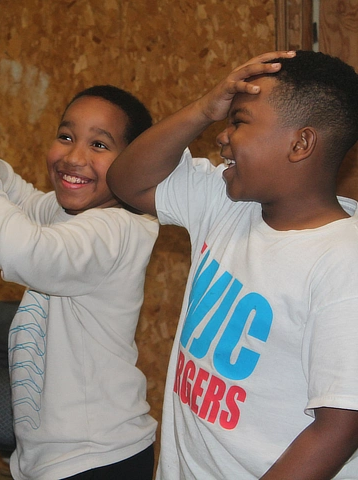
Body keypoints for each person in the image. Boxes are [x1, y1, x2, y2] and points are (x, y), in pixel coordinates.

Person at [107, 50, 358, 479]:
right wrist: (205, 107)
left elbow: (338, 428)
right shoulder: (226, 202)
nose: (222, 137)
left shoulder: (343, 262)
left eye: (238, 122)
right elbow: (128, 181)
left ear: (300, 144)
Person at [0, 85, 159, 479]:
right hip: (49, 458)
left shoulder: (114, 231)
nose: (74, 156)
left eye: (99, 145)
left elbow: (20, 251)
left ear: (133, 162)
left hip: (97, 458)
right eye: (66, 137)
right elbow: (26, 203)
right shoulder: (72, 212)